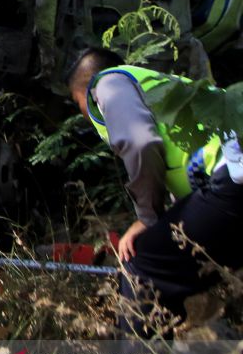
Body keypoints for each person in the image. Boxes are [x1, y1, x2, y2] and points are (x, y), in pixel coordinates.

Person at [67, 49, 243, 336]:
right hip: (229, 175)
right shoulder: (158, 87)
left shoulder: (108, 82)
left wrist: (148, 218)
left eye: (78, 104)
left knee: (141, 267)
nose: (86, 114)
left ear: (85, 89)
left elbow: (139, 142)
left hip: (232, 174)